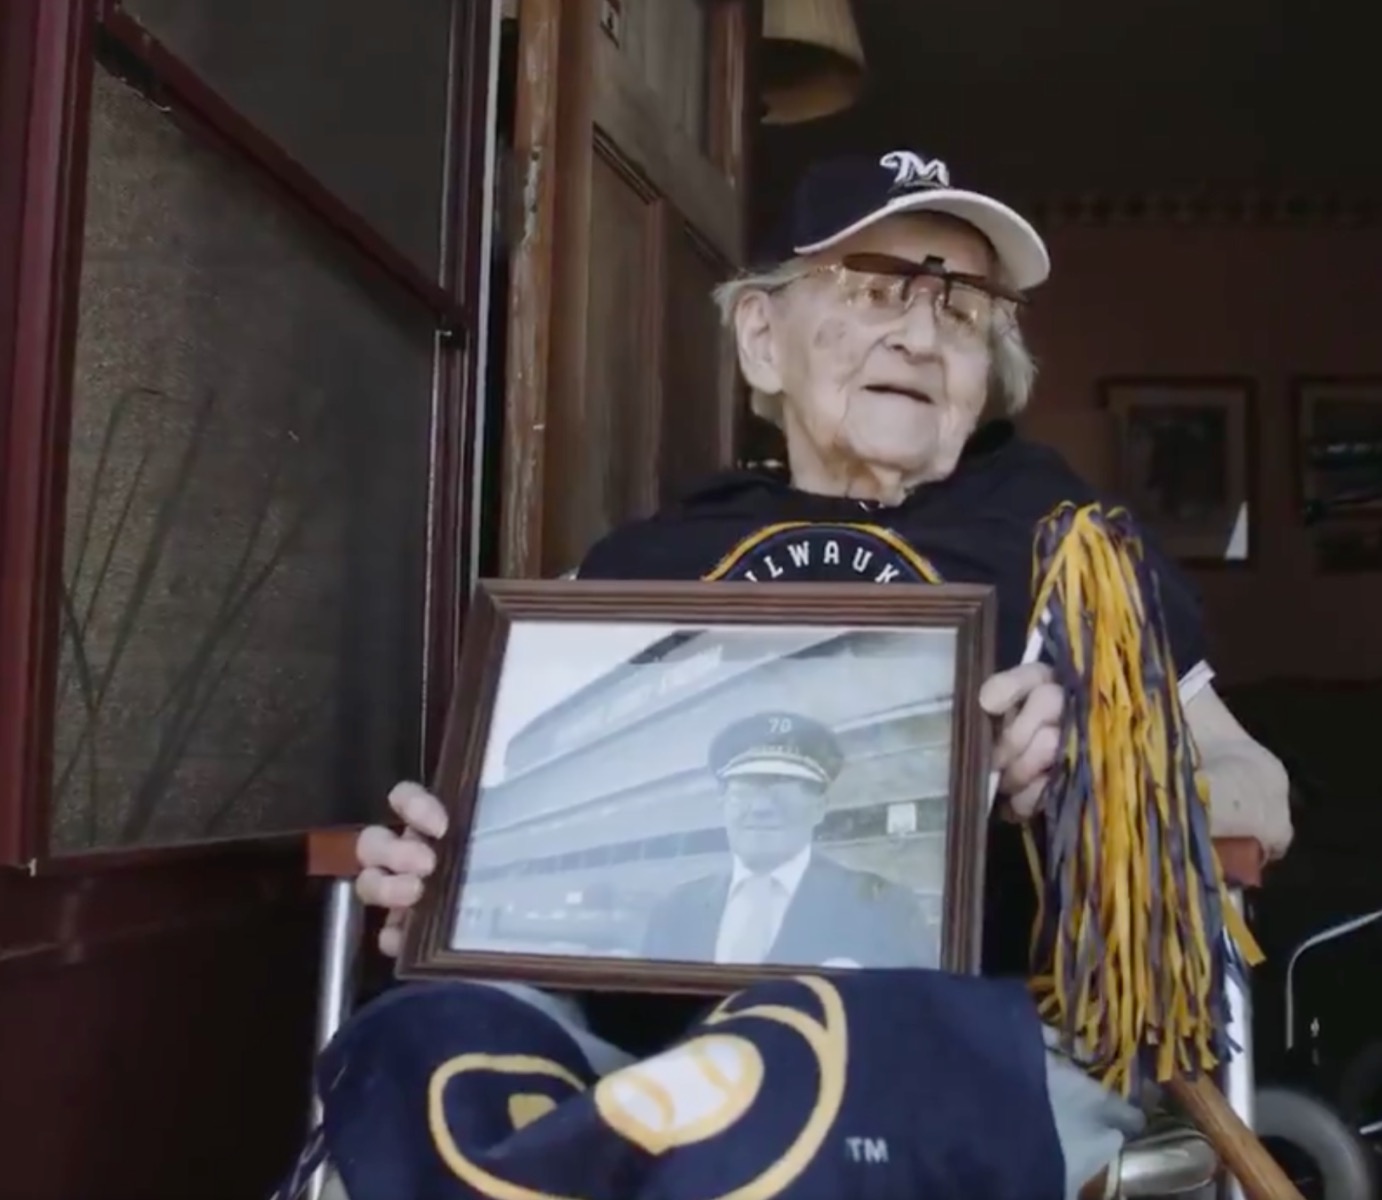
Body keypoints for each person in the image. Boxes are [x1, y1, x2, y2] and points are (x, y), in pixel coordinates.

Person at [344, 149, 1289, 1195]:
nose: (920, 336)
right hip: (638, 1040)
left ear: (991, 374)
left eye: (963, 311)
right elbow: (539, 853)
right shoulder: (638, 568)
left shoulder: (1074, 554)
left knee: (790, 1070)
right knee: (417, 1052)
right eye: (875, 289)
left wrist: (1105, 774)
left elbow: (1260, 793)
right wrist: (449, 891)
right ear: (761, 338)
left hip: (957, 1033)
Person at [640, 710, 938, 969]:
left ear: (820, 807)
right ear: (722, 804)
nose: (761, 808)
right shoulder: (675, 912)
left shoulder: (882, 908)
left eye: (783, 789)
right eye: (745, 791)